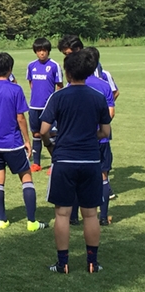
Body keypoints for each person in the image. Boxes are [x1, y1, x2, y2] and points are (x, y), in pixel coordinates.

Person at [40, 49, 111, 274]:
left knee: (62, 213)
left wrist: (52, 144)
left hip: (64, 160)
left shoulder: (58, 97)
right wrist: (92, 137)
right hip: (91, 160)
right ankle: (92, 262)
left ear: (68, 73)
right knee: (90, 213)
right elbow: (105, 131)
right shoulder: (97, 97)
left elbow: (43, 130)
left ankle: (63, 263)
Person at [0, 52, 48, 231]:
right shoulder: (15, 89)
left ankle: (2, 220)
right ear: (10, 69)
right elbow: (20, 118)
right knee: (26, 178)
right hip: (13, 143)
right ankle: (31, 221)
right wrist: (27, 140)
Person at [69, 48, 116, 226]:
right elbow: (110, 112)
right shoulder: (104, 85)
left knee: (75, 176)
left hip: (78, 139)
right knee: (102, 175)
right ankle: (103, 217)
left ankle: (73, 217)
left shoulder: (73, 84)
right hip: (101, 139)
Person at [26, 38, 63, 172]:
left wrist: (54, 103)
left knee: (51, 134)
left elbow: (59, 86)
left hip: (48, 107)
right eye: (39, 50)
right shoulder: (31, 66)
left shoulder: (54, 66)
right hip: (34, 106)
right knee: (36, 134)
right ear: (35, 52)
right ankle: (36, 163)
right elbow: (31, 83)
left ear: (48, 51)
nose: (42, 53)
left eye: (44, 50)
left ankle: (55, 163)